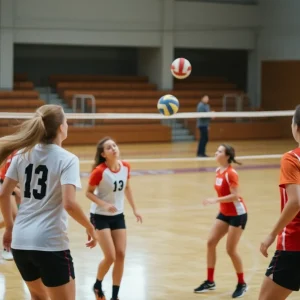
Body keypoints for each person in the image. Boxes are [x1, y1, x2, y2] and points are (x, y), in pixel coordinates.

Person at [0, 104, 97, 300]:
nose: (67, 125)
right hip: (50, 244)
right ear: (61, 127)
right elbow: (69, 204)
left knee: (38, 297)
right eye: (67, 122)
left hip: (21, 242)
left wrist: (9, 228)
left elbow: (3, 194)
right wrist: (90, 226)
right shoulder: (68, 159)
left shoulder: (21, 155)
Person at [86, 137, 143, 300]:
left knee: (121, 254)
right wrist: (103, 204)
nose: (114, 149)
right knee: (110, 256)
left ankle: (115, 296)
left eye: (114, 146)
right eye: (109, 148)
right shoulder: (99, 171)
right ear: (103, 154)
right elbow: (88, 193)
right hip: (100, 216)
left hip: (118, 215)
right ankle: (97, 284)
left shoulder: (125, 166)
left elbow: (127, 188)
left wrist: (135, 209)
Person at [194, 144, 248, 298]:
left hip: (237, 214)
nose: (216, 153)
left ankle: (242, 283)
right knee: (211, 242)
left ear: (227, 156)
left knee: (231, 250)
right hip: (224, 213)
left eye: (219, 151)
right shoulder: (218, 171)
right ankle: (210, 281)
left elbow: (235, 196)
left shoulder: (231, 174)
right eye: (216, 150)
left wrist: (214, 200)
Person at [259, 105, 300, 300]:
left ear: (296, 127)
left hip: (293, 245)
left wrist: (271, 235)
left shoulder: (291, 159)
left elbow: (295, 202)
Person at [0, 150, 21, 260]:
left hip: (12, 186)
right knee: (14, 217)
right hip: (4, 185)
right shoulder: (15, 154)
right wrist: (16, 189)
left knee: (13, 218)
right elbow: (4, 178)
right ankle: (7, 248)